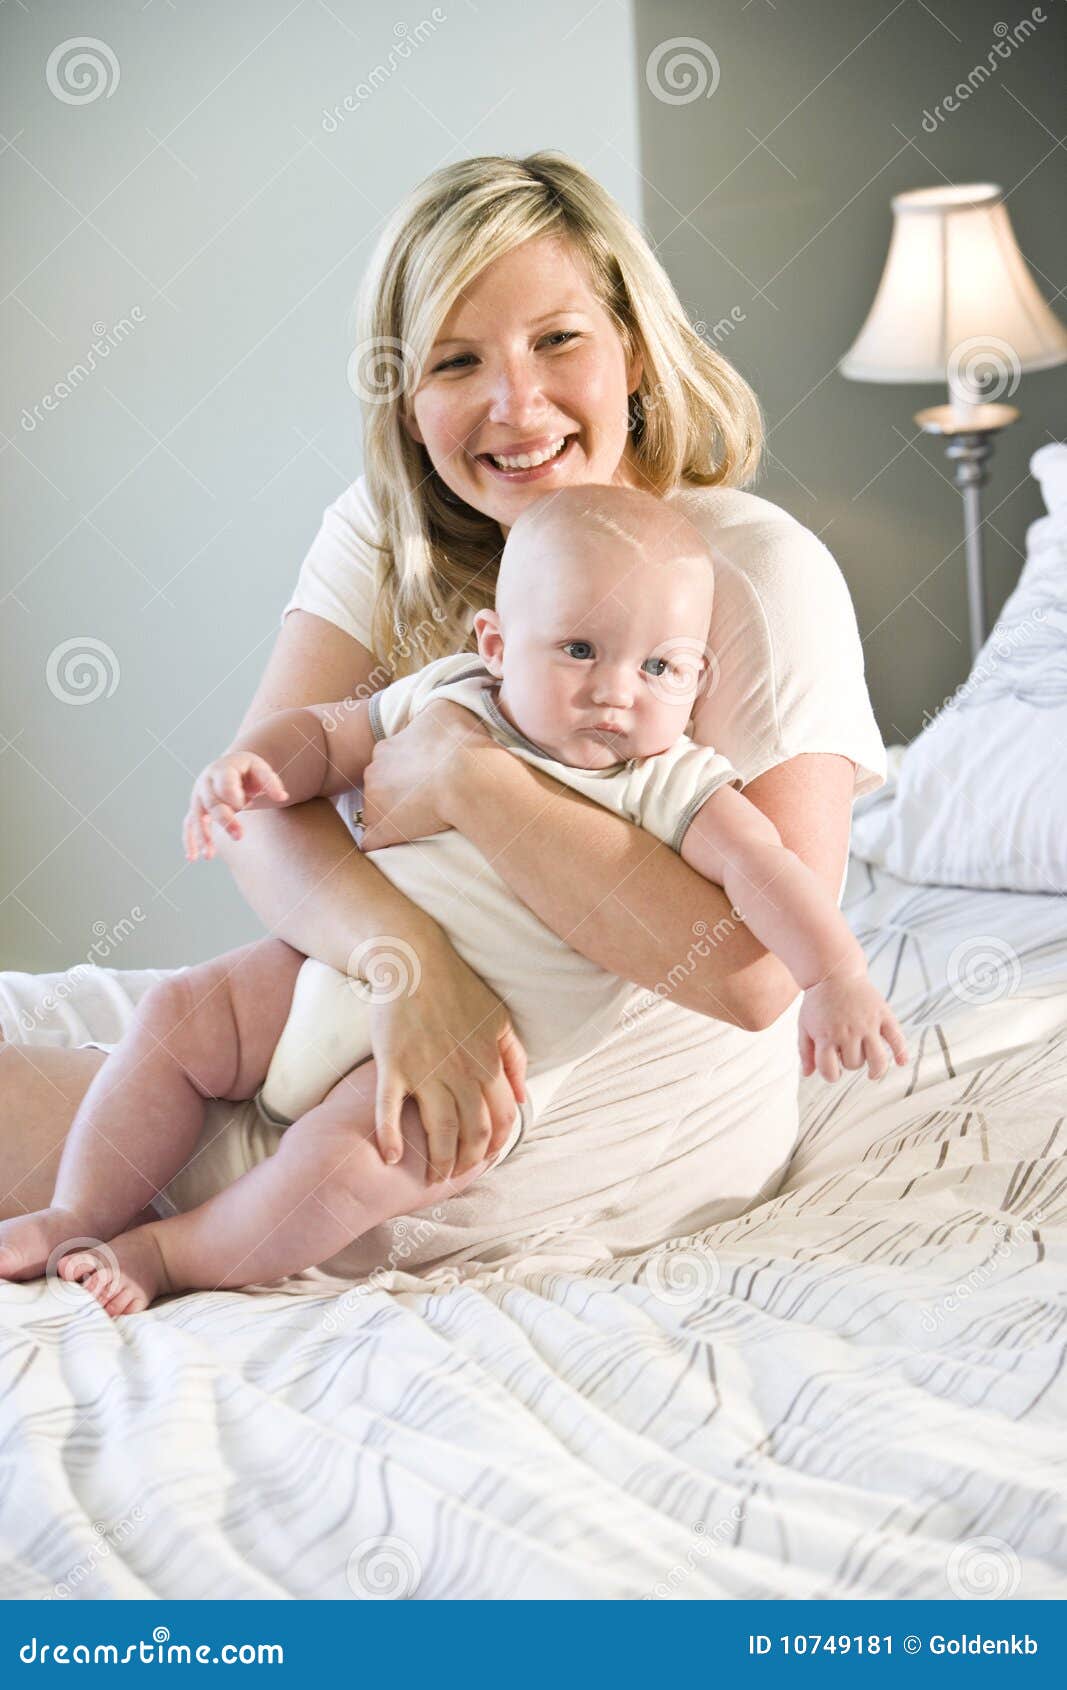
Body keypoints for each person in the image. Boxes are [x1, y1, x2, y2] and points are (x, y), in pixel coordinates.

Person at [0, 150, 889, 1298]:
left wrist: (471, 780)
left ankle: (173, 1246)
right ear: (403, 396)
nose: (514, 406)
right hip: (368, 999)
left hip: (561, 1122)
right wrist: (407, 967)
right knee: (170, 1028)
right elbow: (274, 816)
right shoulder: (386, 533)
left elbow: (753, 974)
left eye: (558, 340)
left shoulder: (748, 572)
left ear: (633, 347)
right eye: (455, 361)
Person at [0, 487, 906, 1313]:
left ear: (697, 680)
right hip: (324, 974)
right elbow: (328, 738)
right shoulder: (453, 697)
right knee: (175, 1014)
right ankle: (78, 1208)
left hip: (466, 1068)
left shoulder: (671, 786)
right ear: (497, 646)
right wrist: (254, 768)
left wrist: (834, 974)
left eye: (659, 669)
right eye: (580, 650)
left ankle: (170, 1256)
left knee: (343, 1175)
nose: (614, 693)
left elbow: (767, 872)